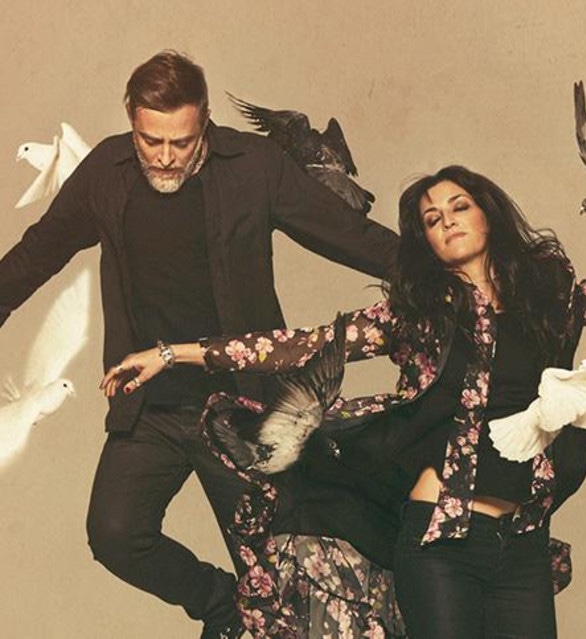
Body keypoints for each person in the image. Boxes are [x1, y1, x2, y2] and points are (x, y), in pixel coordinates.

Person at [102, 164, 586, 638]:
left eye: (459, 207)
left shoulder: (554, 300)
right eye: (432, 219)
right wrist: (173, 354)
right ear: (425, 242)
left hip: (522, 541)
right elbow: (300, 345)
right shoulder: (415, 316)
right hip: (440, 542)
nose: (448, 221)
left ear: (488, 215)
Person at [0, 50, 399, 638]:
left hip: (245, 409)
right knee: (115, 533)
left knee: (278, 570)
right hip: (151, 406)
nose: (165, 157)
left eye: (181, 143)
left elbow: (346, 233)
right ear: (131, 120)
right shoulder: (106, 170)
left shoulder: (255, 165)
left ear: (205, 121)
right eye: (150, 141)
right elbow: (38, 252)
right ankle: (224, 607)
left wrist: (446, 277)